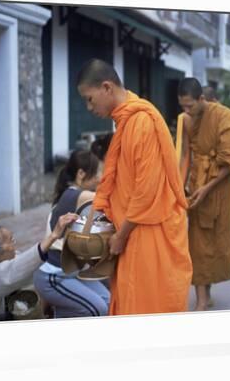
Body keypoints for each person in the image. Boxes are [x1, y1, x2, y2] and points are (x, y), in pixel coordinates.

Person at [77, 58, 193, 315]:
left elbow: (146, 191)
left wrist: (120, 235)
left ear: (107, 87)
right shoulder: (125, 121)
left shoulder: (141, 122)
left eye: (89, 99)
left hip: (147, 231)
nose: (88, 107)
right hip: (133, 230)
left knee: (148, 309)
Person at [178, 77, 230, 310]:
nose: (186, 110)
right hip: (195, 186)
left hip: (219, 187)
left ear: (202, 99)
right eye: (182, 106)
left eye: (190, 106)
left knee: (214, 243)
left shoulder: (224, 116)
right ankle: (201, 299)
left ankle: (207, 293)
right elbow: (184, 158)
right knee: (197, 243)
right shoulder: (185, 120)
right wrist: (180, 188)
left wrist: (207, 188)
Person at [0, 214, 78, 322]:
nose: (14, 245)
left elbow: (27, 262)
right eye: (10, 241)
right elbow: (15, 269)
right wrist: (53, 236)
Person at [32, 150, 111, 318]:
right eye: (97, 173)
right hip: (54, 274)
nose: (100, 178)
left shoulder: (69, 194)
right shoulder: (77, 195)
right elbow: (109, 200)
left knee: (108, 301)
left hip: (71, 272)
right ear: (81, 173)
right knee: (99, 309)